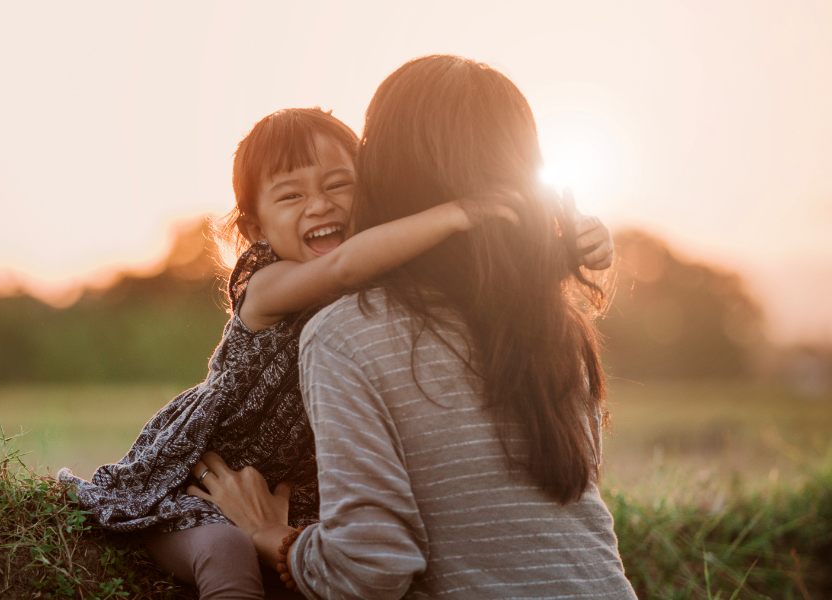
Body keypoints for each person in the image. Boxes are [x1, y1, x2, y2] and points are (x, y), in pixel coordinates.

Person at [58, 107, 615, 599]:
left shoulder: (379, 270)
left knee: (332, 565)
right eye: (292, 195)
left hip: (295, 496)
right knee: (227, 553)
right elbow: (343, 268)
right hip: (205, 482)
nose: (319, 205)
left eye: (338, 185)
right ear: (254, 226)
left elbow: (465, 268)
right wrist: (458, 212)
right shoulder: (269, 285)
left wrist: (572, 238)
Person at [190, 56, 638, 599]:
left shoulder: (349, 333)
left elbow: (369, 571)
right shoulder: (553, 326)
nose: (323, 203)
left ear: (381, 172)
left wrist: (269, 535)